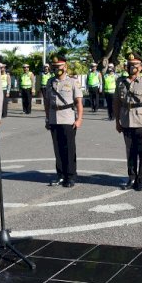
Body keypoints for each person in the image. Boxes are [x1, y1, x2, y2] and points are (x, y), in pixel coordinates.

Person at [114, 52, 142, 191]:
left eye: (134, 64)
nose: (131, 66)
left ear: (140, 66)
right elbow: (117, 102)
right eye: (129, 64)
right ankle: (132, 177)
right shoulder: (121, 82)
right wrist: (117, 121)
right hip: (126, 120)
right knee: (130, 151)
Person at [44, 54, 84, 187]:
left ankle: (71, 176)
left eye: (59, 66)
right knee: (58, 149)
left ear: (65, 67)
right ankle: (60, 175)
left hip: (68, 118)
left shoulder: (72, 82)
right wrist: (47, 118)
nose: (56, 69)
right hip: (54, 118)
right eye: (54, 67)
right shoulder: (50, 82)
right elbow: (47, 102)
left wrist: (79, 119)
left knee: (69, 148)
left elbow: (78, 102)